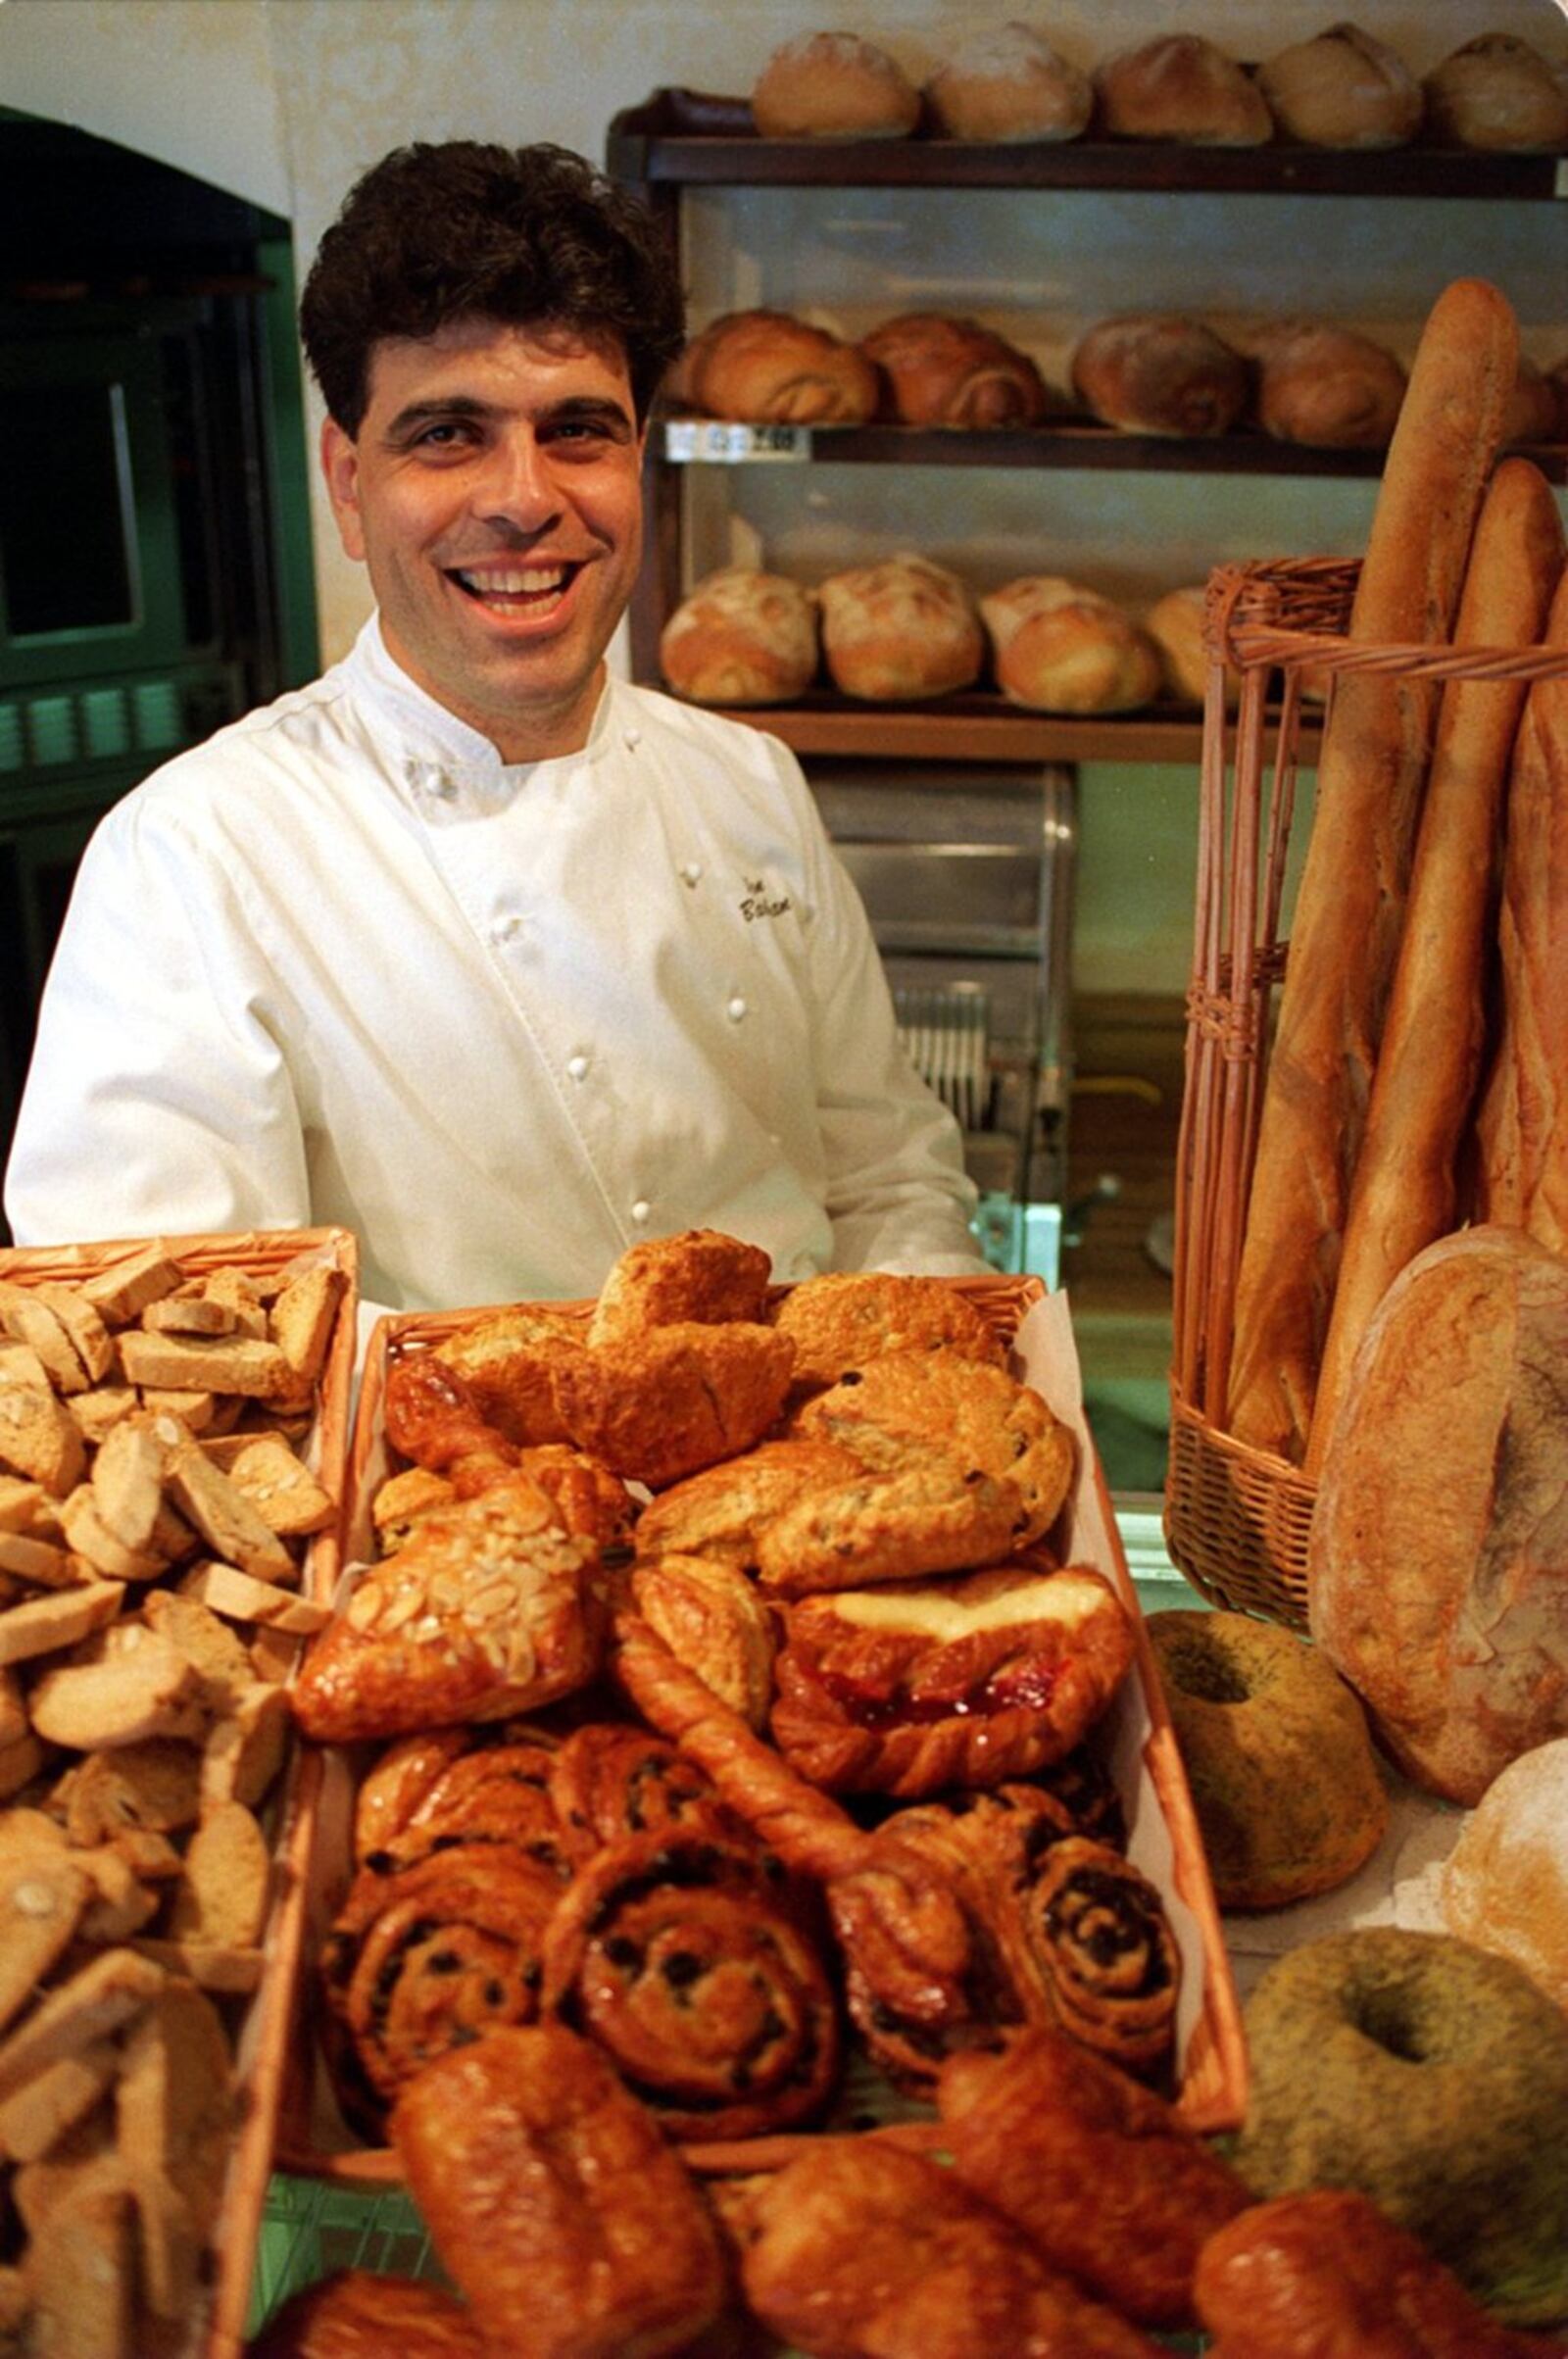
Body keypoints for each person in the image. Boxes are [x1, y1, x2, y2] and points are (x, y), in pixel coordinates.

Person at [4, 140, 985, 1311]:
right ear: (350, 483)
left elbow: (890, 1180)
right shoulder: (194, 856)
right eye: (446, 435)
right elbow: (172, 1340)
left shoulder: (749, 781)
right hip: (418, 1487)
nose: (526, 499)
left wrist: (932, 1390)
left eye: (578, 429)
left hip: (803, 1474)